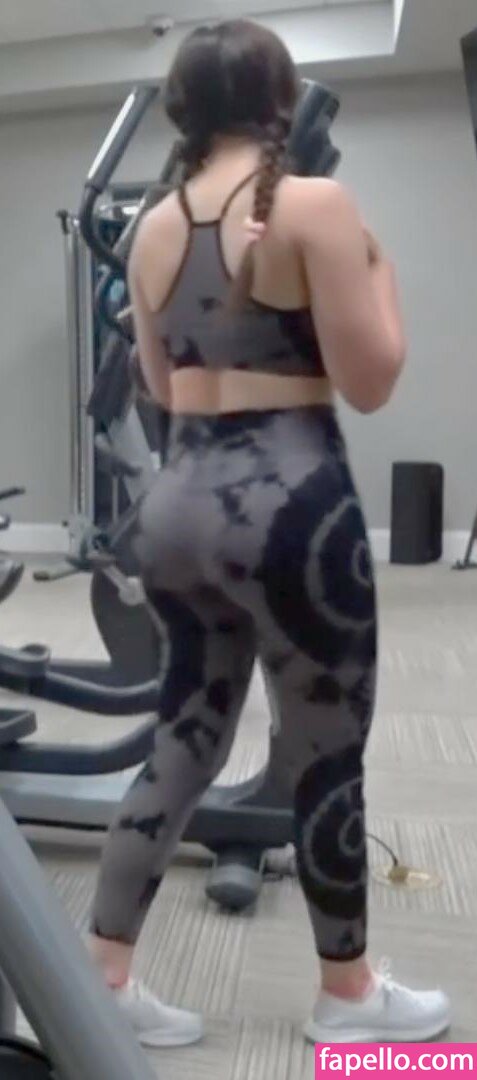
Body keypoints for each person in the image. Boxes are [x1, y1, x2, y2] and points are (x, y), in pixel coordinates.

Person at [89, 19, 450, 1047]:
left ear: (183, 109)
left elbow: (161, 387)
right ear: (280, 99)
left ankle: (102, 980)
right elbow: (371, 382)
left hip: (178, 502)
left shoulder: (154, 222)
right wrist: (379, 271)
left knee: (183, 740)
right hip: (289, 507)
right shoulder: (313, 203)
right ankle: (350, 1000)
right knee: (327, 750)